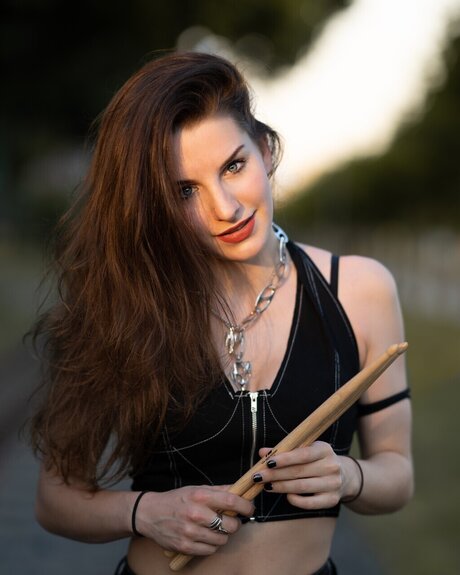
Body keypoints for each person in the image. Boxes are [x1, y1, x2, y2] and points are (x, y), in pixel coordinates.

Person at [29, 51, 413, 575]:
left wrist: (349, 477)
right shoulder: (123, 304)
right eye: (185, 190)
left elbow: (397, 474)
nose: (225, 208)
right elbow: (55, 500)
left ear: (265, 150)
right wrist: (144, 511)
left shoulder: (359, 290)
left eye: (234, 166)